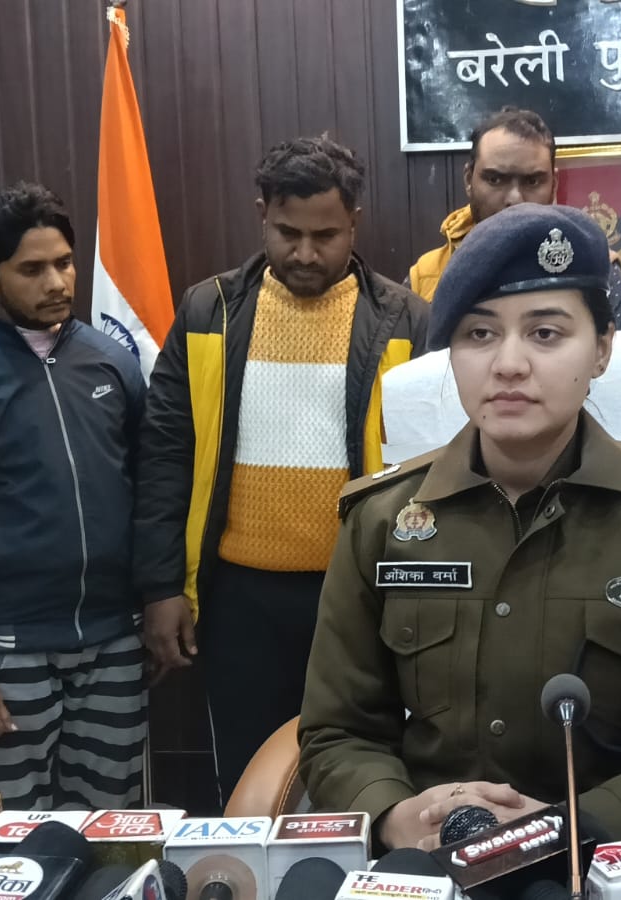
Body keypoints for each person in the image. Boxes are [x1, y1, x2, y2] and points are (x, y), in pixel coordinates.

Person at [298, 203, 621, 855]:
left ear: (602, 348)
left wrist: (572, 827)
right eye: (478, 334)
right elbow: (337, 732)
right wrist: (390, 814)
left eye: (546, 333)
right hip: (430, 867)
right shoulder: (382, 521)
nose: (508, 364)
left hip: (614, 866)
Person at [134, 136, 431, 801]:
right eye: (287, 233)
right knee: (248, 778)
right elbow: (164, 455)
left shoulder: (406, 321)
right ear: (261, 214)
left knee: (359, 765)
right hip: (238, 598)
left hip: (359, 593)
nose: (304, 253)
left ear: (355, 222)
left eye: (325, 235)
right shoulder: (208, 312)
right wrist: (160, 588)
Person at [0, 183, 151, 809]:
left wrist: (154, 601)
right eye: (32, 269)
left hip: (114, 641)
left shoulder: (110, 361)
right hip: (6, 648)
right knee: (9, 828)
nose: (57, 283)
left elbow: (148, 490)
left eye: (64, 263)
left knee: (112, 823)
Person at [407, 107, 621, 329]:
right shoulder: (426, 276)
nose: (515, 199)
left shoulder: (597, 271)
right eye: (495, 180)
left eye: (532, 181)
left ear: (554, 184)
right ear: (469, 179)